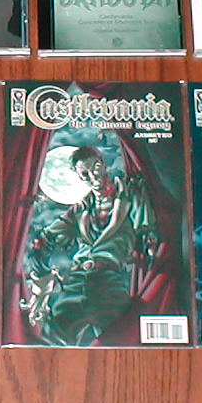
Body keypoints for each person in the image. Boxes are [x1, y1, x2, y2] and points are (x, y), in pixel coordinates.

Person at [29, 145, 155, 345]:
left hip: (108, 281)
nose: (92, 176)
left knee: (122, 339)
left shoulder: (130, 194)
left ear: (102, 164)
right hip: (77, 281)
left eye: (94, 168)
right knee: (52, 338)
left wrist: (152, 260)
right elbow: (48, 237)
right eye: (85, 174)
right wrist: (42, 273)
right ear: (79, 177)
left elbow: (148, 232)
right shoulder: (81, 208)